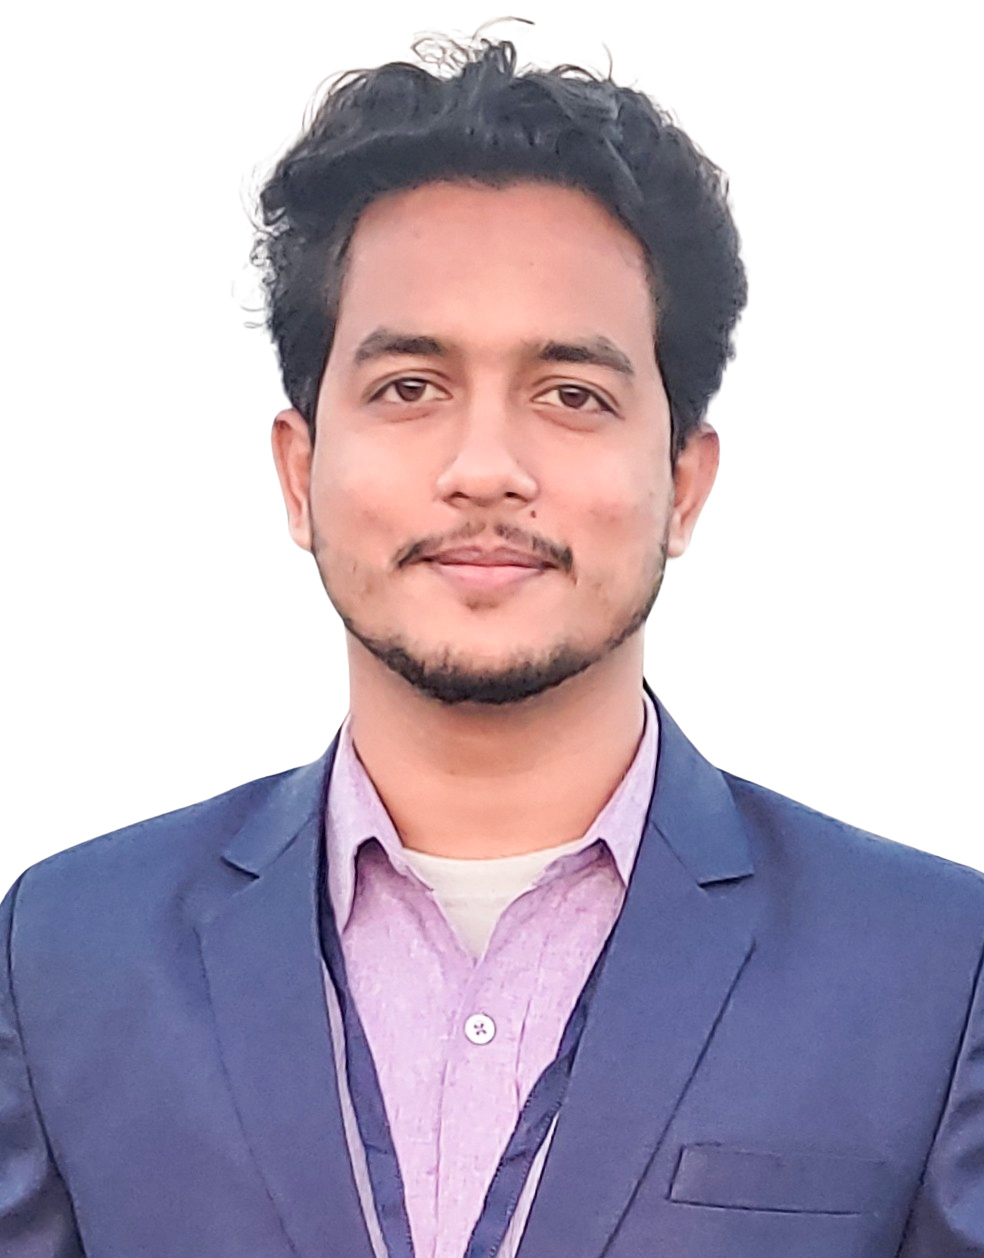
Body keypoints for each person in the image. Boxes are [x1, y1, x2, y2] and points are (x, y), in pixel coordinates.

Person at [1, 31, 981, 1258]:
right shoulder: (69, 952)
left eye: (572, 394)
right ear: (300, 472)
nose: (484, 469)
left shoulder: (932, 967)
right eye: (410, 387)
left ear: (684, 484)